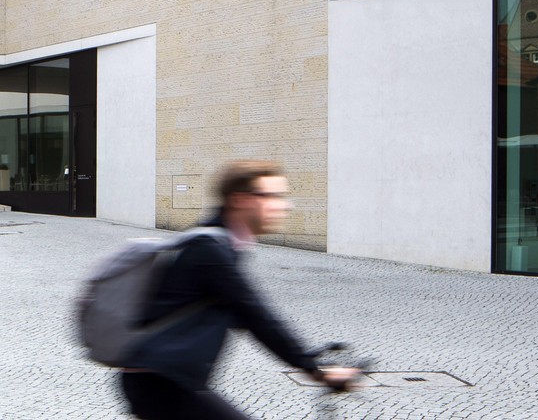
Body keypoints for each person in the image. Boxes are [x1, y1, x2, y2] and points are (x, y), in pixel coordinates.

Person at [119, 160, 360, 419]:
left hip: (167, 379)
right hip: (161, 382)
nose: (284, 205)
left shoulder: (221, 244)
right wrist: (314, 369)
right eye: (273, 196)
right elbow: (256, 315)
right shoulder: (210, 250)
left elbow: (245, 317)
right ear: (240, 199)